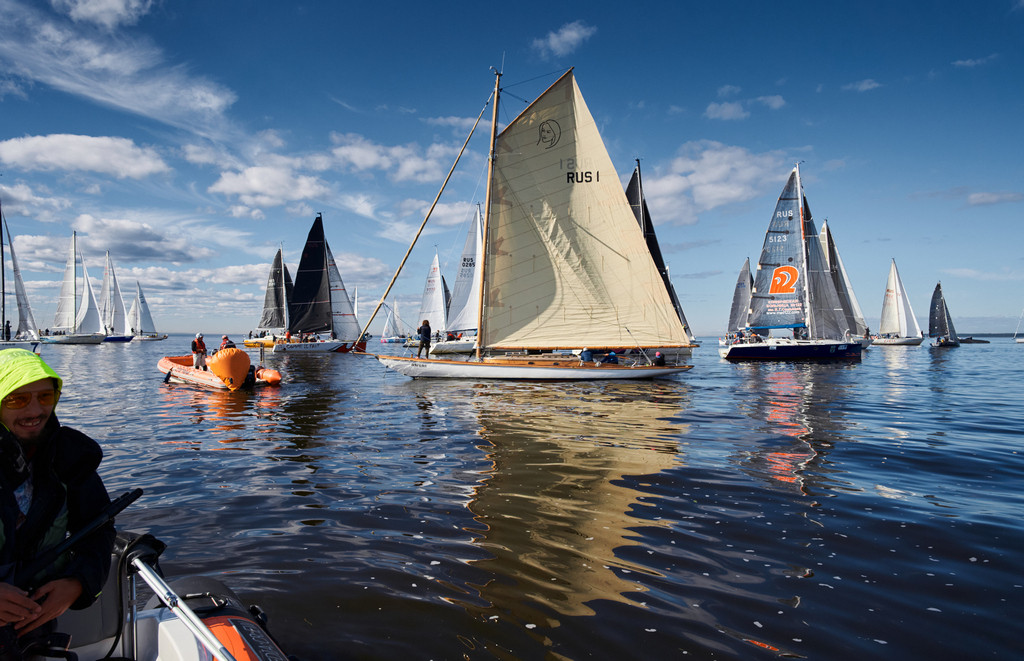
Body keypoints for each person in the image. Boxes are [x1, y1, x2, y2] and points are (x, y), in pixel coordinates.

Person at [0, 349, 115, 650]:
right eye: (17, 399)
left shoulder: (68, 458)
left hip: (31, 633)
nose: (35, 410)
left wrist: (78, 583)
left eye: (45, 397)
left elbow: (98, 532)